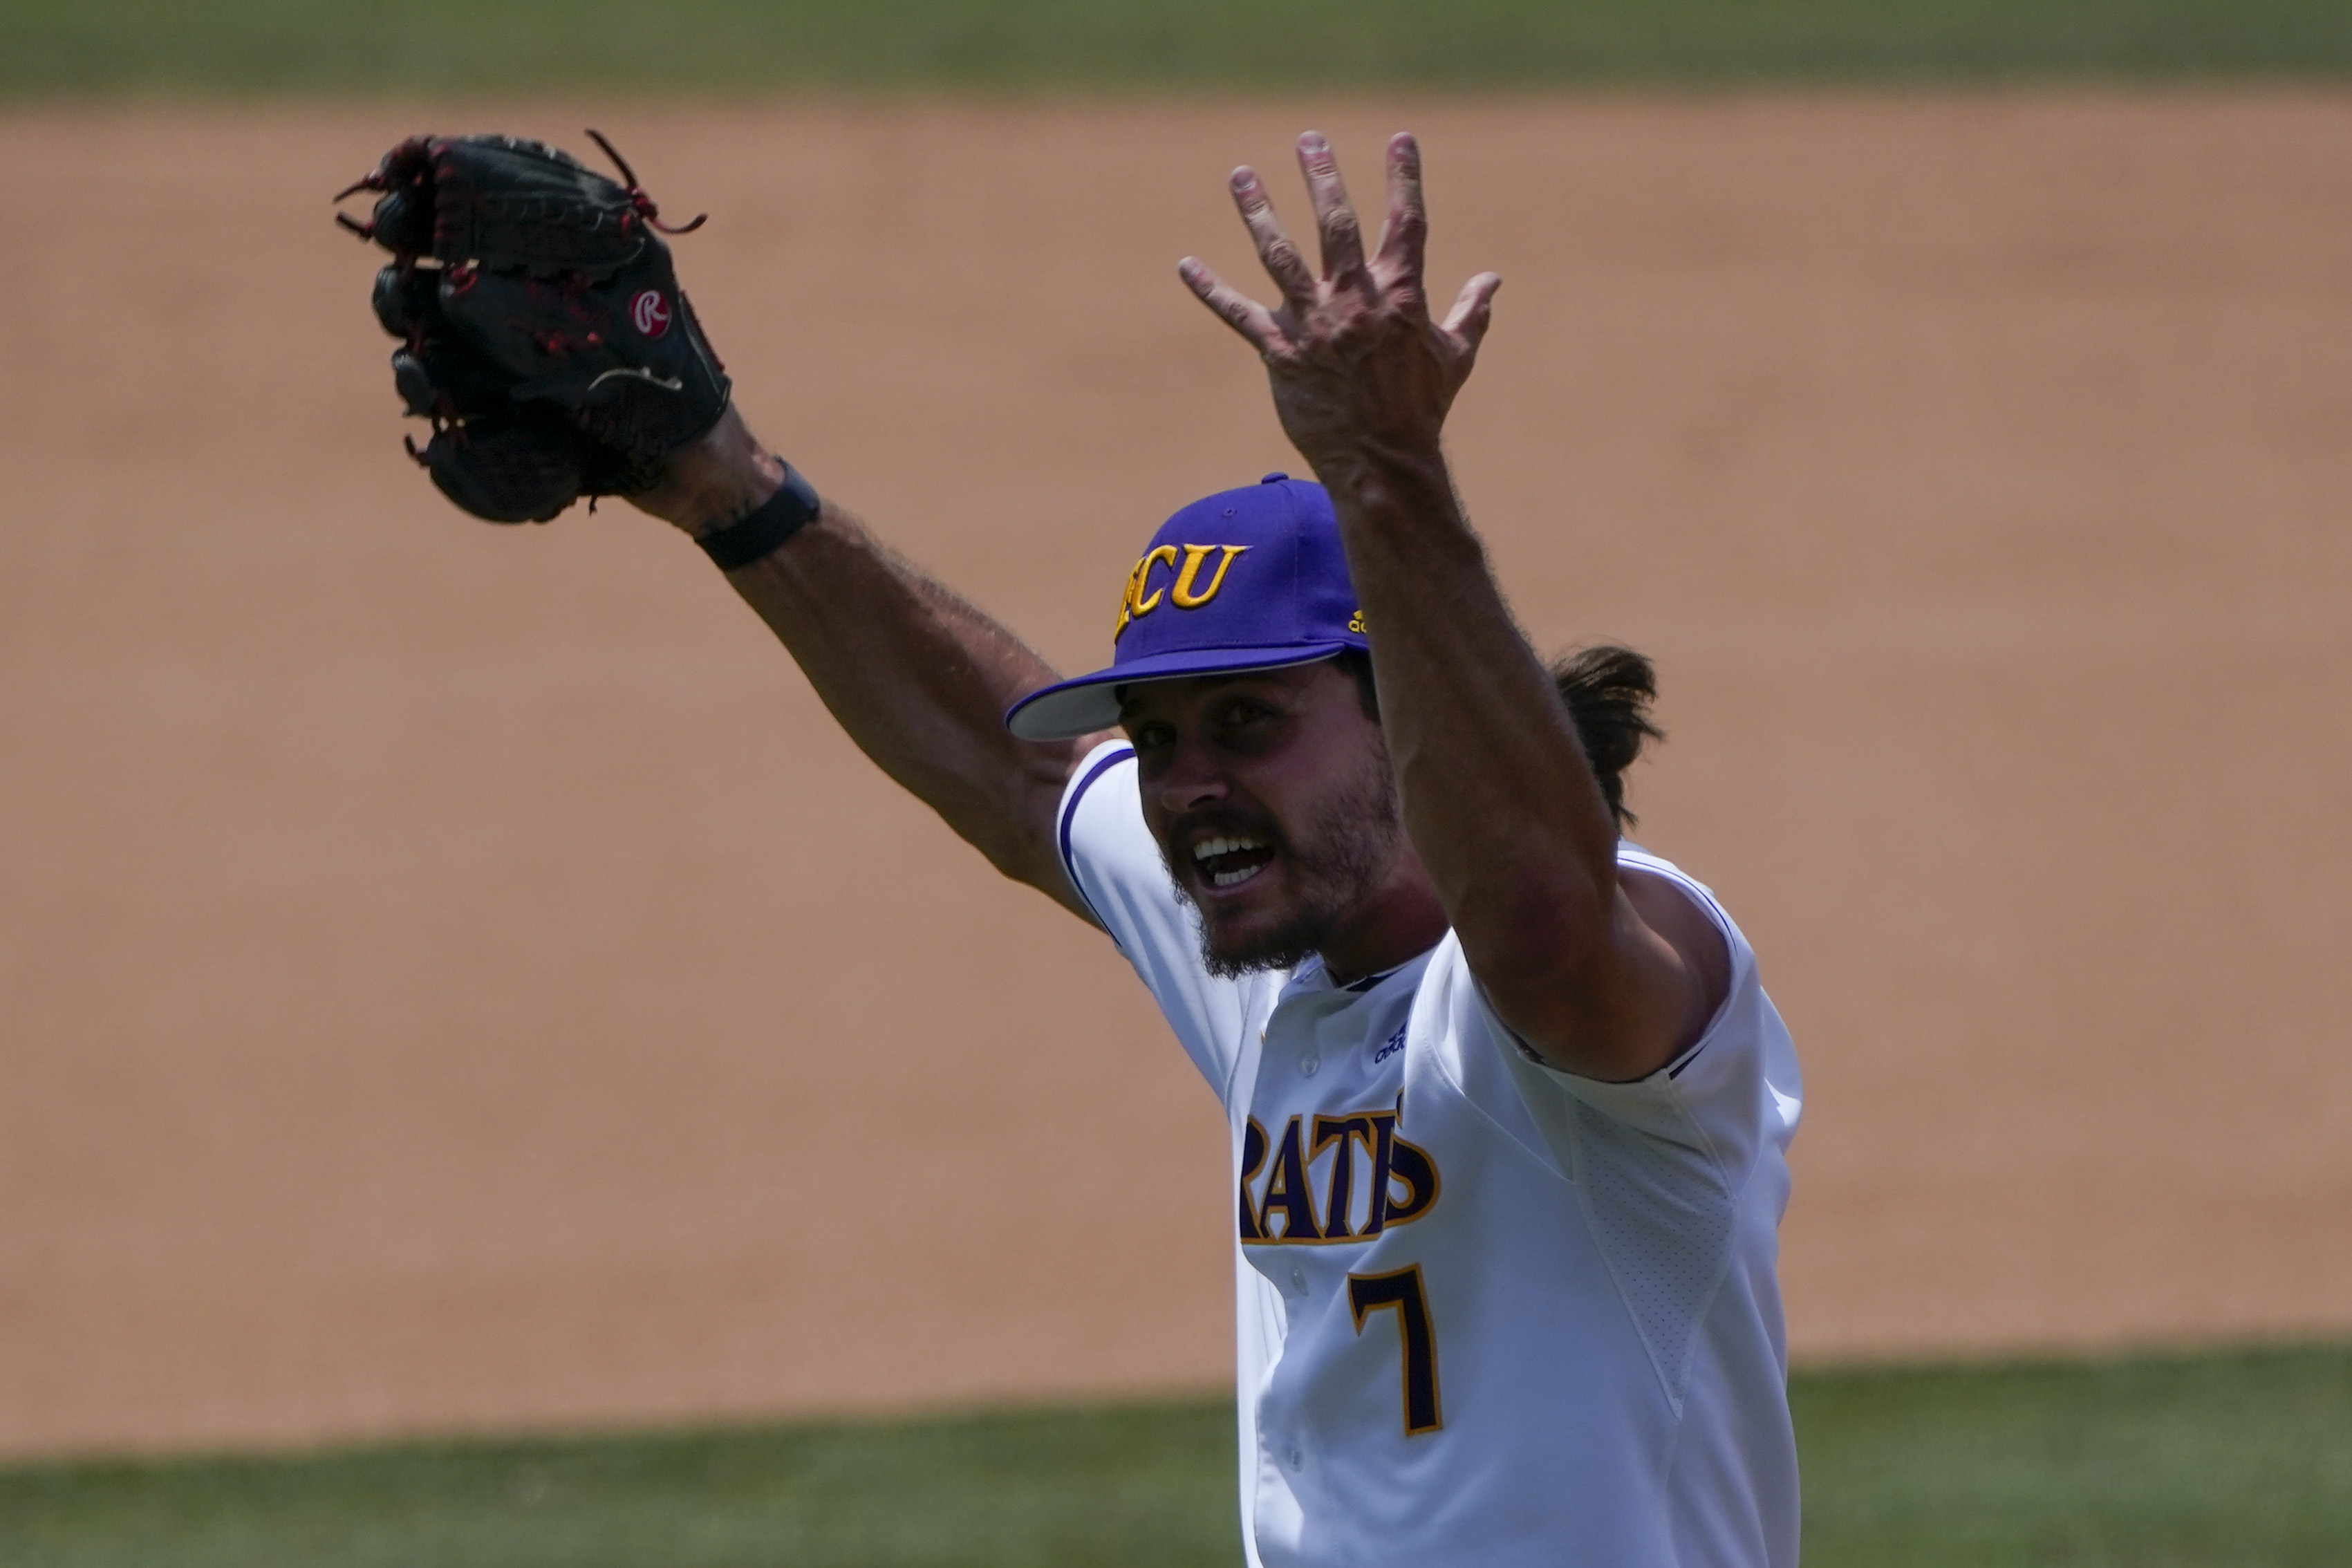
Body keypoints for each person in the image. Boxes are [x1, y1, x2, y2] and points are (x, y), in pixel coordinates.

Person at [629, 131, 1802, 1568]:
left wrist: (1386, 468)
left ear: (1403, 715)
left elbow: (1543, 936)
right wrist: (728, 492)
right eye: (1164, 735)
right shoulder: (1277, 939)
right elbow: (1021, 760)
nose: (1190, 787)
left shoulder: (1616, 990)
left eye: (1249, 720)